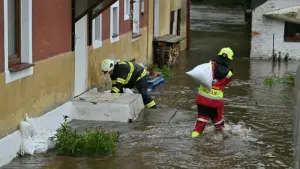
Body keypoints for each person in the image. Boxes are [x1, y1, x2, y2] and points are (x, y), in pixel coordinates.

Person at [191, 47, 234, 138]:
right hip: (216, 102)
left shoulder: (209, 65)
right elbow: (224, 82)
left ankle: (192, 139)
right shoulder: (229, 74)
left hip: (202, 99)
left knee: (200, 123)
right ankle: (225, 141)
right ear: (229, 60)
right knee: (219, 125)